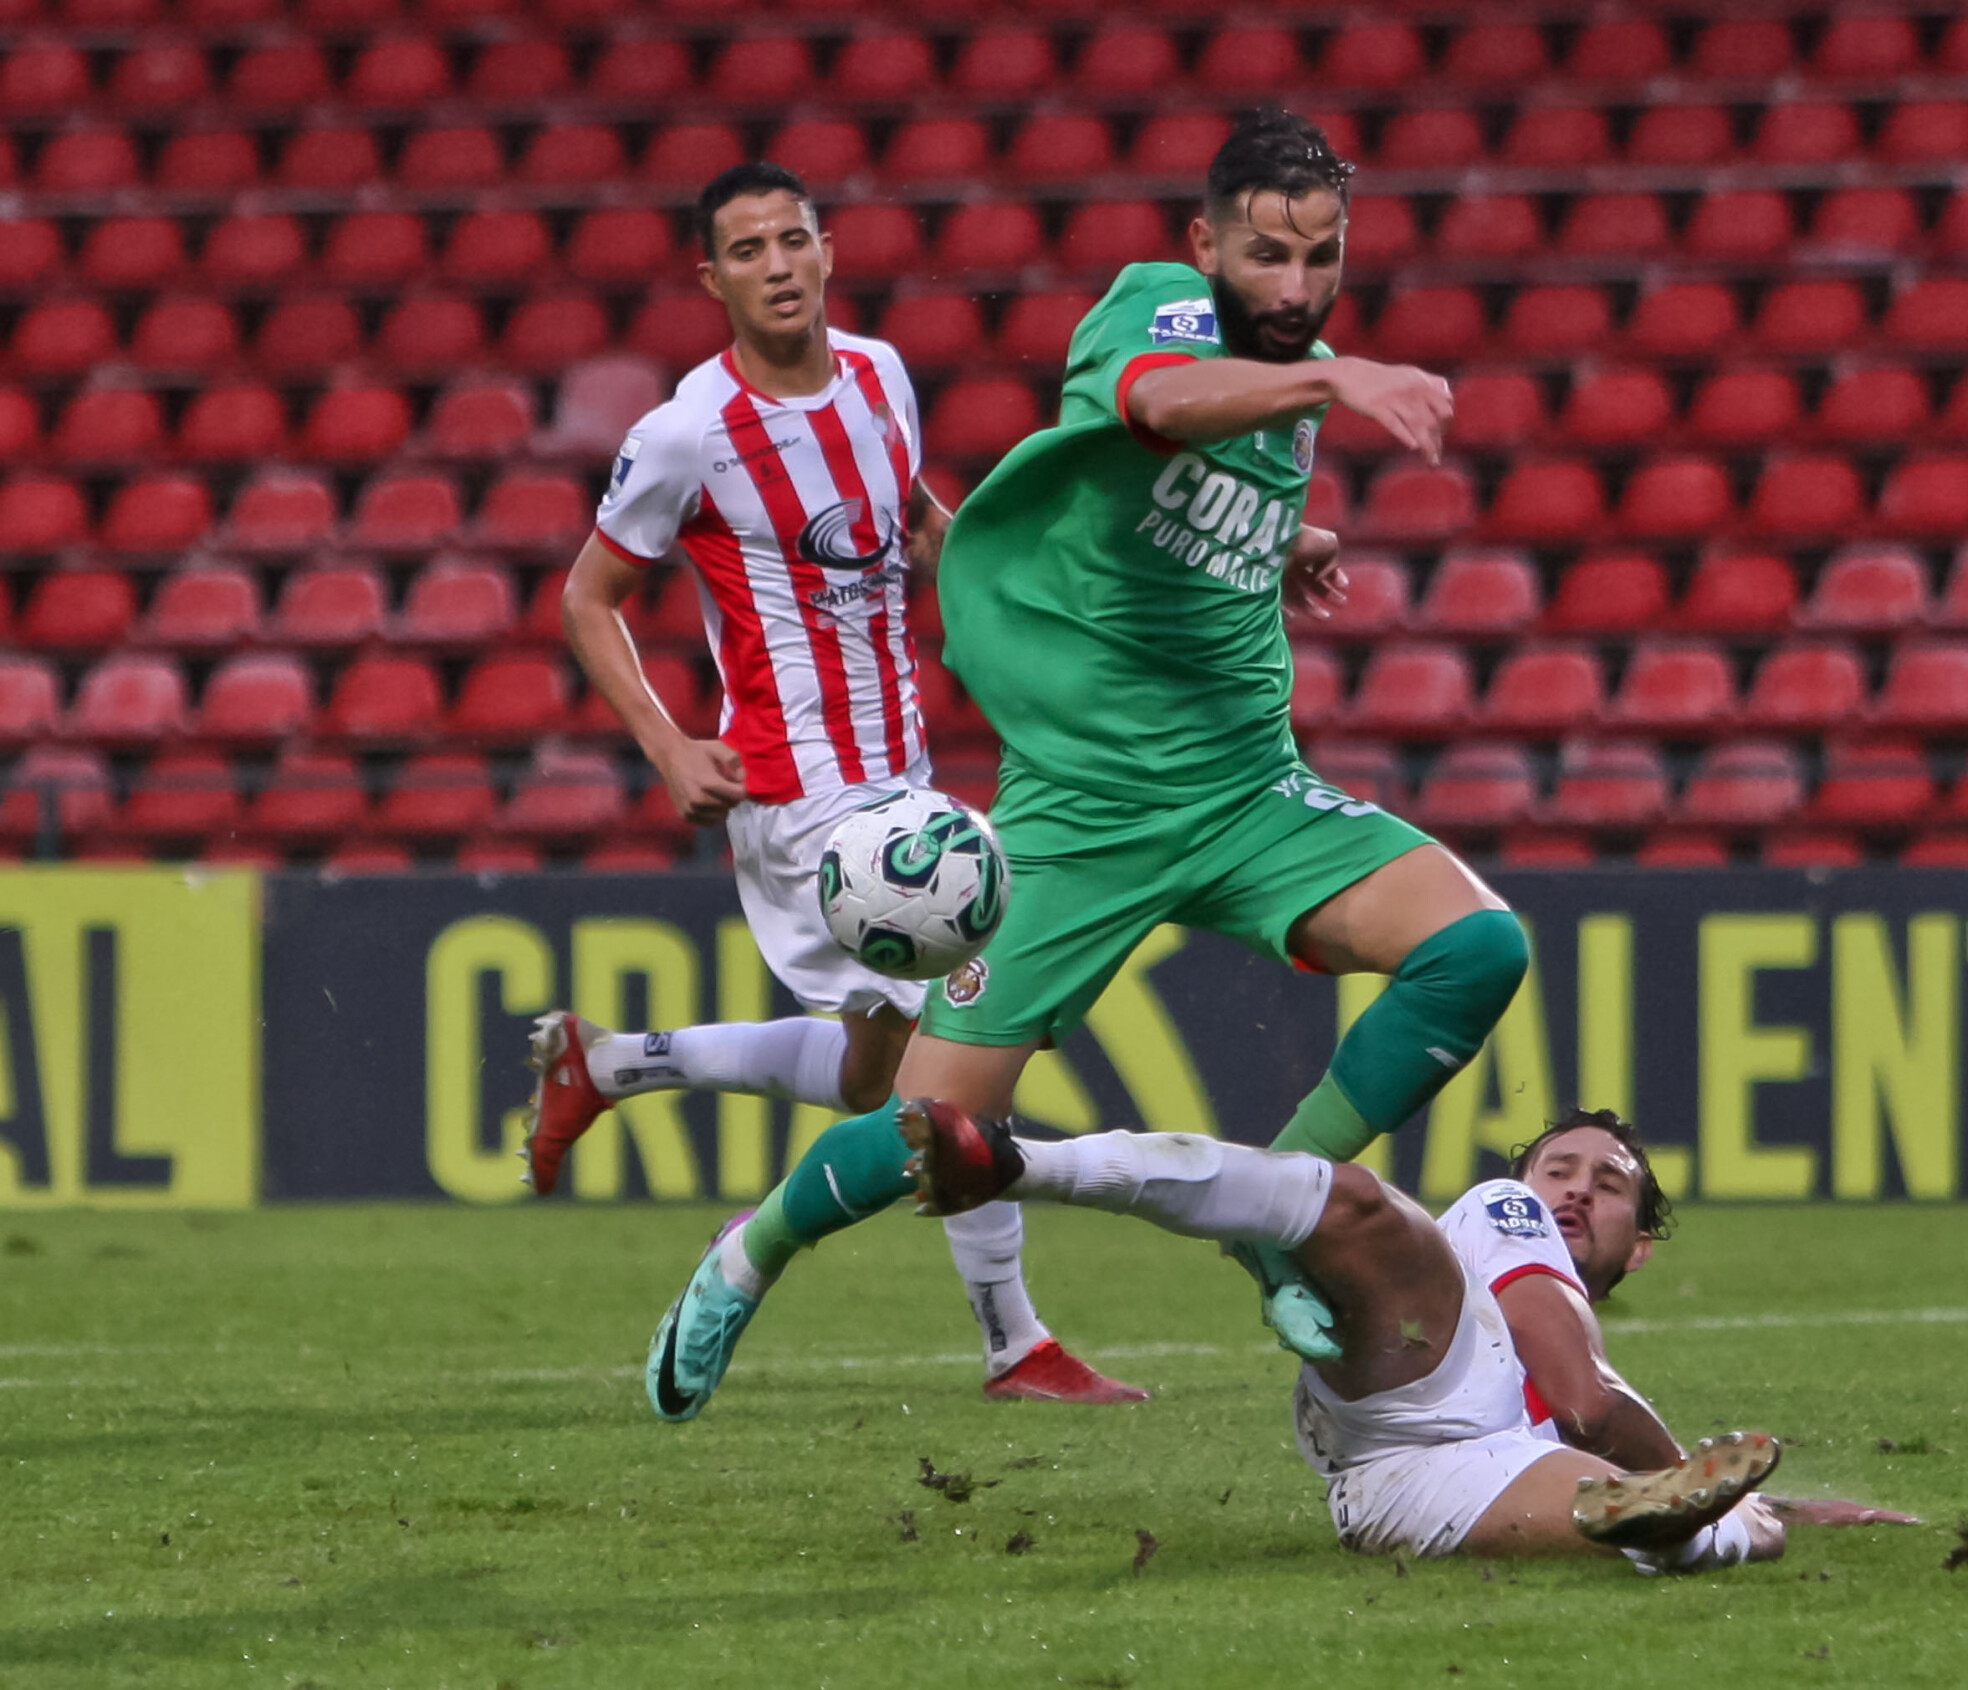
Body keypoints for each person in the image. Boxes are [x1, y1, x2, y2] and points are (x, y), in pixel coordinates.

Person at [642, 106, 1538, 1417]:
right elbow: (1158, 408)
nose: (1293, 289)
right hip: (1082, 815)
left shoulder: (1291, 387)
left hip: (1245, 794)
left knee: (1479, 948)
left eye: (1319, 258)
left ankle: (1273, 1211)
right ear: (1205, 245)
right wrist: (1335, 380)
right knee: (924, 1137)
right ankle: (742, 1259)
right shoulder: (1161, 312)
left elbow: (1182, 502)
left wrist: (1284, 543)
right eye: (1266, 257)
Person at [526, 160, 1144, 1404]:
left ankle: (608, 1064)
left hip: (901, 773)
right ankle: (1012, 1338)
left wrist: (1005, 598)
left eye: (792, 240)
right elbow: (588, 597)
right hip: (797, 798)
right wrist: (665, 745)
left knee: (875, 1073)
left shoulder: (879, 375)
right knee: (957, 1039)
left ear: (825, 250)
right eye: (746, 250)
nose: (776, 266)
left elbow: (908, 515)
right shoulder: (685, 433)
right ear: (713, 280)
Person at [655, 1085, 1879, 1567]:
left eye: (1606, 1185)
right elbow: (1588, 1396)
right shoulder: (1500, 1221)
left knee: (1619, 1517)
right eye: (1562, 1163)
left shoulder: (1586, 1338)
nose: (1571, 1188)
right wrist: (1699, 1478)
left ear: (1641, 1243)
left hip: (1402, 1485)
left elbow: (1592, 1417)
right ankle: (1013, 1160)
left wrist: (1793, 1506)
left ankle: (1689, 1530)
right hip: (1423, 1384)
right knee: (1348, 1201)